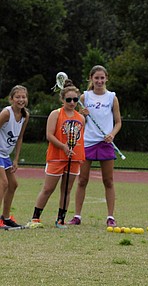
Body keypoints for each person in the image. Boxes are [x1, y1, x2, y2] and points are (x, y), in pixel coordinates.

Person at [27, 79, 86, 228]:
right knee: (48, 188)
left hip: (74, 158)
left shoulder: (81, 118)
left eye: (75, 99)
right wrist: (63, 146)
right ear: (62, 99)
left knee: (67, 190)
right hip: (57, 157)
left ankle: (61, 219)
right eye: (68, 99)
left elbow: (79, 137)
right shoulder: (56, 114)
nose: (72, 102)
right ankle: (35, 218)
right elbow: (49, 135)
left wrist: (74, 151)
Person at [70, 65, 122, 227]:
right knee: (82, 180)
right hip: (87, 143)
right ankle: (77, 215)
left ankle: (110, 217)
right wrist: (82, 115)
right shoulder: (84, 97)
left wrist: (112, 134)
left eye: (102, 78)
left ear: (106, 78)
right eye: (96, 78)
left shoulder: (112, 97)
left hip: (105, 143)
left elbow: (118, 122)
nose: (99, 81)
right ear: (91, 79)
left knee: (108, 181)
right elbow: (79, 122)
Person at [0, 85, 29, 228]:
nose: (21, 99)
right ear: (11, 99)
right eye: (18, 97)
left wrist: (16, 159)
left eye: (23, 97)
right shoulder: (6, 113)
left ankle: (5, 218)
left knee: (13, 184)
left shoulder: (25, 115)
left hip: (5, 155)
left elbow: (20, 138)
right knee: (3, 182)